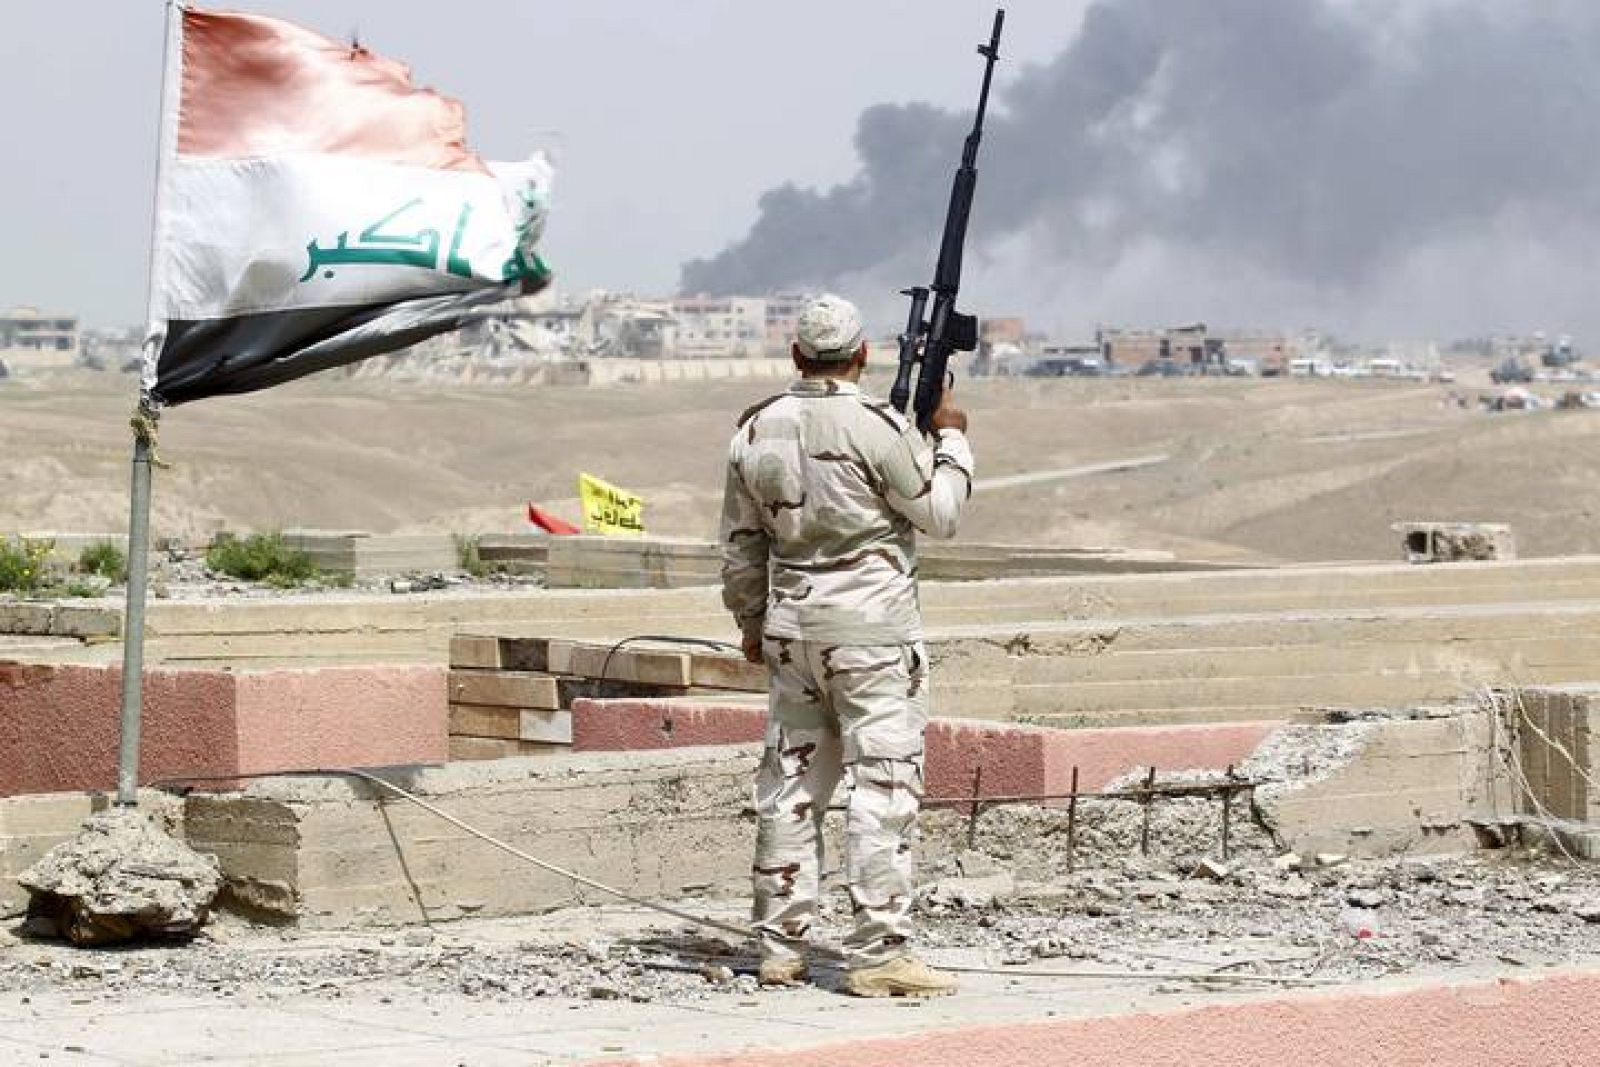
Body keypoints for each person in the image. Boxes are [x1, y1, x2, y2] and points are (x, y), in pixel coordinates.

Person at [719, 293, 975, 998]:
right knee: (882, 790)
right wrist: (950, 436)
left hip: (793, 637)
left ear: (798, 356)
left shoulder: (755, 429)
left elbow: (741, 549)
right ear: (862, 355)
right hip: (871, 639)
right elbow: (940, 513)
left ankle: (777, 946)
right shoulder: (879, 428)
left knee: (791, 787)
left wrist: (750, 624)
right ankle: (879, 953)